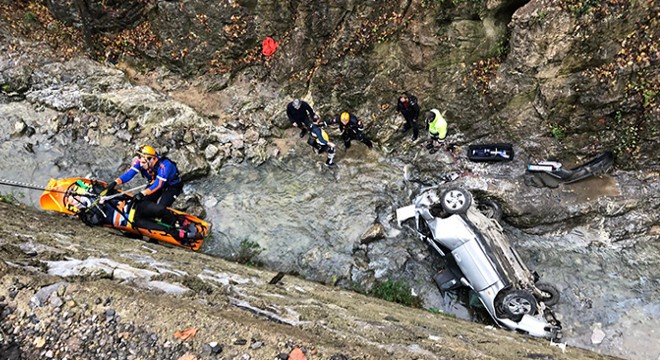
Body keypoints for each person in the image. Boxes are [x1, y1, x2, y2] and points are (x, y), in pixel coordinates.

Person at [75, 185, 199, 245]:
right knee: (163, 229)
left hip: (135, 207)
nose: (73, 201)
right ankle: (184, 235)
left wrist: (104, 195)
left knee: (161, 210)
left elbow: (109, 189)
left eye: (75, 197)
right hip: (131, 221)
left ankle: (177, 222)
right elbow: (95, 221)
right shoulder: (85, 214)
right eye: (73, 201)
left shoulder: (94, 193)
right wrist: (101, 205)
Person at [105, 144, 183, 207]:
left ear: (151, 159)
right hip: (155, 182)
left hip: (172, 186)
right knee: (143, 202)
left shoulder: (165, 166)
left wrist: (143, 193)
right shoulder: (142, 161)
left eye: (143, 163)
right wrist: (115, 182)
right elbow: (129, 174)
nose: (141, 165)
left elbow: (158, 185)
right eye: (140, 162)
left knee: (161, 207)